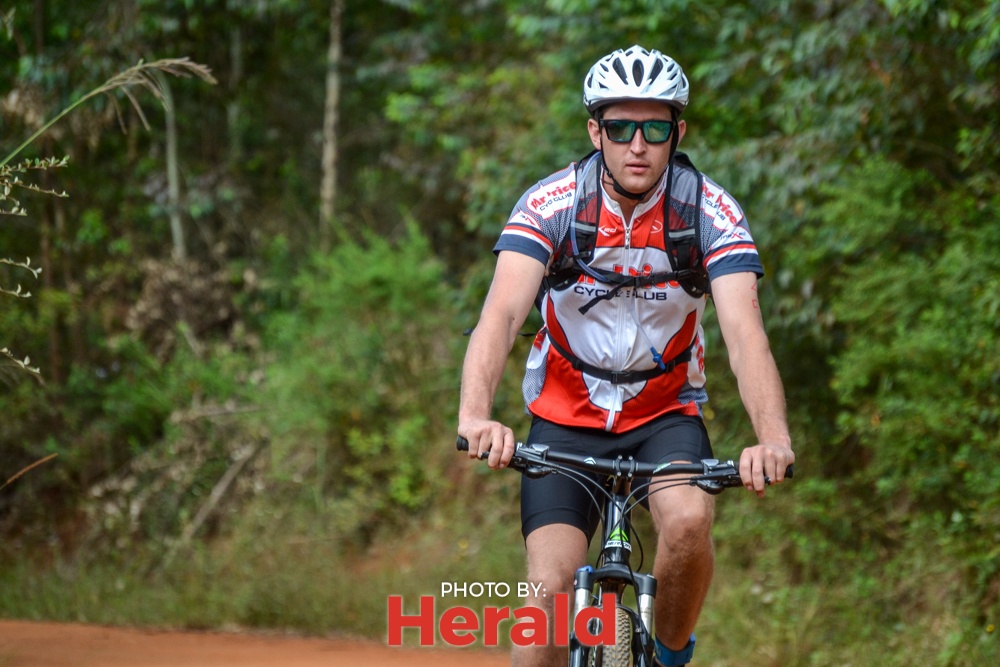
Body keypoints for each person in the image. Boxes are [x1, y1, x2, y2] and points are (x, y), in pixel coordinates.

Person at [457, 45, 794, 667]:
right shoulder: (554, 205)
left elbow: (746, 335)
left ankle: (669, 654)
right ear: (596, 132)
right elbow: (500, 316)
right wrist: (476, 416)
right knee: (550, 593)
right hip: (565, 414)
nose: (637, 145)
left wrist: (772, 439)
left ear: (677, 134)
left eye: (655, 129)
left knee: (688, 522)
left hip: (665, 414)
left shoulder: (708, 212)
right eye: (619, 128)